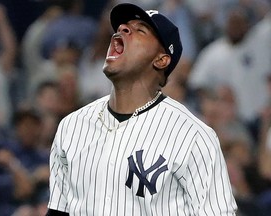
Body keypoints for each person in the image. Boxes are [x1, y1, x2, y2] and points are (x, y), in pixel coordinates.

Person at [46, 3, 237, 216]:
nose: (122, 30)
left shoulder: (193, 136)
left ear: (161, 59)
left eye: (140, 30)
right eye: (121, 27)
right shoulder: (72, 127)